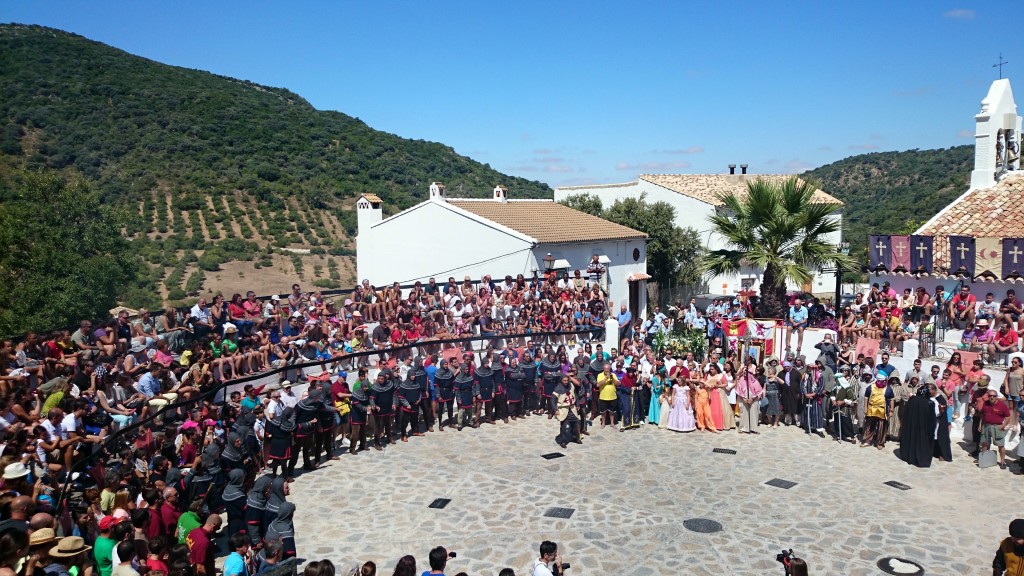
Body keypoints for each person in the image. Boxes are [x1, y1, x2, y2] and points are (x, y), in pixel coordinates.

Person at [898, 383, 937, 468]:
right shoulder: (929, 403)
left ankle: (908, 456)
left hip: (911, 425)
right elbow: (932, 419)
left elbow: (906, 413)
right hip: (923, 427)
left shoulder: (912, 400)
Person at [979, 387, 1012, 469]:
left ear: (996, 396)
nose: (991, 397)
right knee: (984, 442)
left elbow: (1008, 416)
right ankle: (984, 459)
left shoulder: (1002, 405)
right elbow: (983, 415)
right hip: (986, 425)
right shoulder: (986, 403)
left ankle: (1002, 461)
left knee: (1000, 445)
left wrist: (1003, 425)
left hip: (997, 427)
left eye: (993, 396)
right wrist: (980, 425)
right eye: (990, 395)